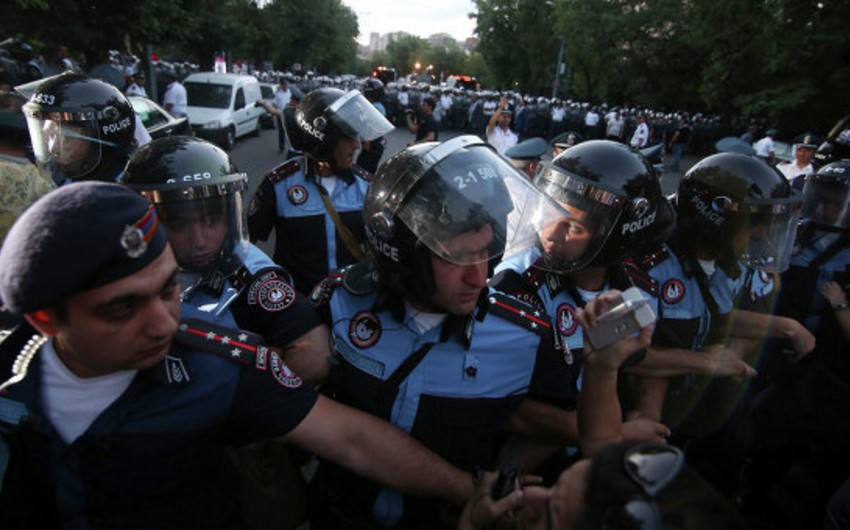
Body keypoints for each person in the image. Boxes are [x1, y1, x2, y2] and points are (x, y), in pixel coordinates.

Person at [0, 182, 478, 528]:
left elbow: (352, 438)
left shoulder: (217, 366)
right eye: (121, 308)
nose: (165, 323)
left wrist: (474, 492)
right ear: (46, 320)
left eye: (169, 289)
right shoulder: (10, 389)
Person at [308, 135, 578, 529]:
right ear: (402, 253)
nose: (480, 277)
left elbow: (555, 426)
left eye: (488, 252)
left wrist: (495, 482)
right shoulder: (337, 301)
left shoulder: (527, 337)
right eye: (457, 258)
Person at [745, 159, 850, 528]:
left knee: (784, 428)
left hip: (821, 362)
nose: (829, 207)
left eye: (839, 200)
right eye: (825, 196)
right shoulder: (796, 229)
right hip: (769, 336)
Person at [247, 87, 394, 294]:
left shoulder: (366, 186)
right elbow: (246, 249)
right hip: (299, 309)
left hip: (352, 306)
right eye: (348, 135)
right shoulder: (278, 185)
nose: (357, 144)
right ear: (323, 138)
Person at [20, 72, 137, 184]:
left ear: (107, 137)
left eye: (67, 138)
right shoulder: (56, 181)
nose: (53, 148)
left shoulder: (132, 192)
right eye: (48, 136)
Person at [356, 78, 390, 173]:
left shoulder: (375, 107)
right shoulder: (376, 105)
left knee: (362, 170)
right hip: (373, 143)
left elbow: (375, 126)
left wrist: (368, 142)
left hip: (372, 144)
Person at [272, 77, 291, 153]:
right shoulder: (278, 94)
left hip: (289, 114)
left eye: (286, 84)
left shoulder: (290, 93)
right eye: (283, 84)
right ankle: (281, 147)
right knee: (281, 131)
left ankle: (292, 146)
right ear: (281, 85)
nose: (285, 86)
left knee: (290, 131)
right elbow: (274, 103)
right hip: (280, 114)